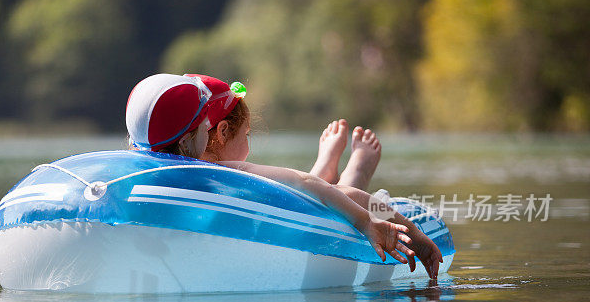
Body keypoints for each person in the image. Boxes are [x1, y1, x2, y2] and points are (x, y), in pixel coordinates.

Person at [125, 73, 442, 278]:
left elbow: (348, 199)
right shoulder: (222, 170)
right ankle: (336, 169)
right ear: (212, 134)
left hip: (302, 204)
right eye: (247, 134)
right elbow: (304, 183)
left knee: (332, 193)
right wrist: (371, 222)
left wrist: (398, 230)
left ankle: (350, 170)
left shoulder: (138, 175)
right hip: (300, 197)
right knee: (314, 189)